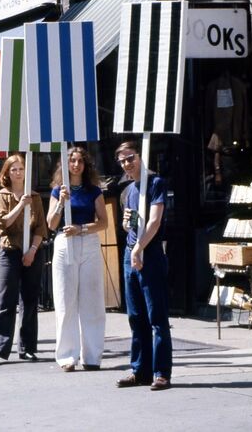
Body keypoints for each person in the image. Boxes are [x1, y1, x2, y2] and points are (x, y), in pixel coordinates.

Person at [114, 140, 172, 391]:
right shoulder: (128, 191)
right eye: (123, 161)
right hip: (130, 254)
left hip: (149, 254)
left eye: (131, 158)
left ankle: (161, 372)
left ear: (141, 156)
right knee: (136, 316)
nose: (127, 164)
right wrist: (127, 224)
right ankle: (140, 370)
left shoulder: (156, 183)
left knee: (156, 315)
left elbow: (155, 221)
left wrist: (139, 248)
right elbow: (131, 226)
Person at [47, 146, 108, 372]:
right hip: (64, 243)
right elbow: (51, 224)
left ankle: (92, 356)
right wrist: (62, 202)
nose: (76, 165)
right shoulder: (57, 191)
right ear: (65, 164)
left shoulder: (94, 191)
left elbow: (104, 222)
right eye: (72, 161)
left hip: (89, 242)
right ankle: (67, 357)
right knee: (65, 300)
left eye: (80, 161)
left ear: (85, 165)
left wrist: (81, 228)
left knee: (92, 301)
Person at [0, 154, 47, 366]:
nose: (18, 172)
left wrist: (32, 250)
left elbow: (41, 227)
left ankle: (28, 347)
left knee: (30, 301)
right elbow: (3, 223)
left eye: (21, 168)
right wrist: (21, 205)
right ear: (7, 173)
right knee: (5, 299)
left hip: (31, 251)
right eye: (13, 169)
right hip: (9, 250)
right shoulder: (2, 195)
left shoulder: (36, 197)